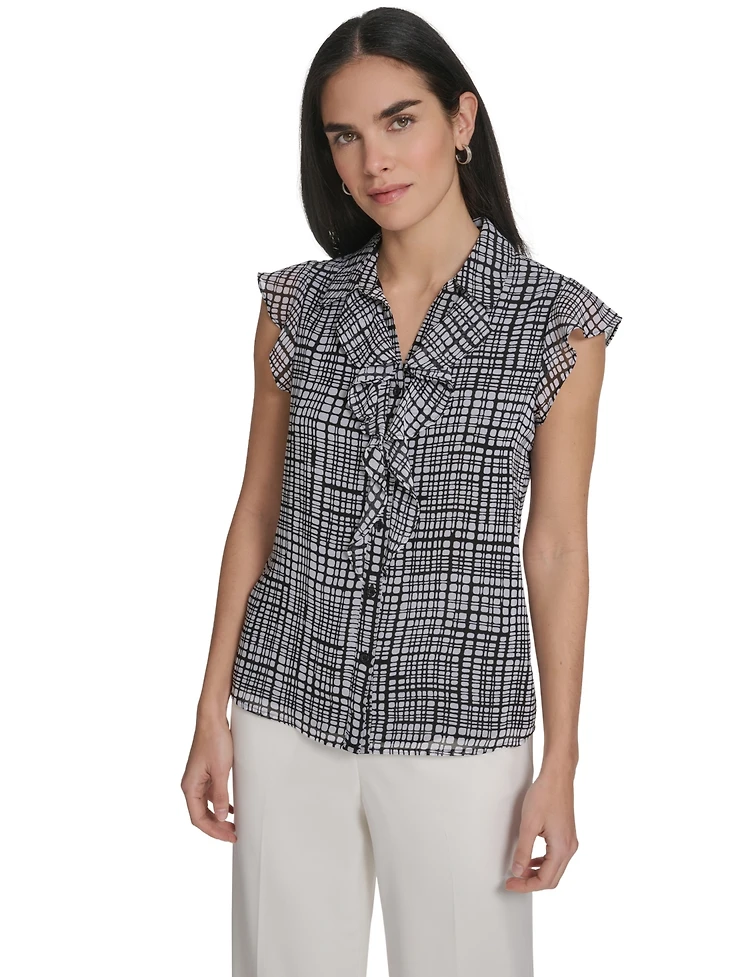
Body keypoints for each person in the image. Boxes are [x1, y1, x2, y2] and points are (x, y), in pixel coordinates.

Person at [181, 8, 622, 976]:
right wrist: (212, 706)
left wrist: (560, 760)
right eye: (343, 135)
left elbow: (555, 546)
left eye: (399, 120)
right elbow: (257, 510)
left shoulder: (558, 326)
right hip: (285, 702)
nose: (373, 160)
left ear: (461, 120)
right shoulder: (296, 306)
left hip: (460, 724)